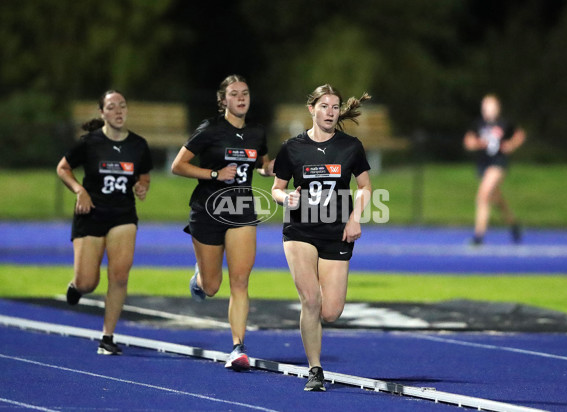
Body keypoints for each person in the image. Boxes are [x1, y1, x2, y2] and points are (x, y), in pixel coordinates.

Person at [271, 84, 372, 391]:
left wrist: (355, 218)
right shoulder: (292, 147)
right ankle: (315, 369)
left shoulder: (351, 146)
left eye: (335, 107)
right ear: (311, 109)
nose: (330, 112)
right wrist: (285, 198)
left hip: (336, 232)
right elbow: (277, 188)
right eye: (324, 106)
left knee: (331, 311)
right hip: (299, 231)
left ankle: (315, 337)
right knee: (311, 300)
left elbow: (366, 188)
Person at [171, 74, 273, 371]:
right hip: (208, 210)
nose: (241, 98)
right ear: (223, 100)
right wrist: (215, 174)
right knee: (213, 286)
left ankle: (238, 347)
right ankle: (200, 278)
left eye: (245, 92)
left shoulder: (256, 132)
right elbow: (178, 165)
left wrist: (274, 167)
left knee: (240, 281)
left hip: (241, 208)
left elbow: (262, 165)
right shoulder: (210, 129)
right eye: (234, 93)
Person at [56, 90, 153, 355]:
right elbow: (62, 168)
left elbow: (143, 176)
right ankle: (76, 286)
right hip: (91, 215)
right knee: (88, 283)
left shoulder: (139, 145)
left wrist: (142, 187)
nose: (119, 111)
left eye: (122, 106)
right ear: (102, 113)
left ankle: (107, 337)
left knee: (120, 275)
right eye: (112, 107)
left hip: (122, 215)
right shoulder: (89, 143)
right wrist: (79, 190)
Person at [463, 93, 526, 245]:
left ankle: (478, 236)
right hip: (483, 164)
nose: (487, 109)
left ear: (497, 108)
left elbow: (520, 134)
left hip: (498, 164)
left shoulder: (505, 123)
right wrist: (476, 143)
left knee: (483, 196)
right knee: (497, 200)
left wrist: (511, 144)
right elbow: (468, 141)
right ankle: (513, 225)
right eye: (485, 106)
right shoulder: (478, 124)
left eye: (490, 106)